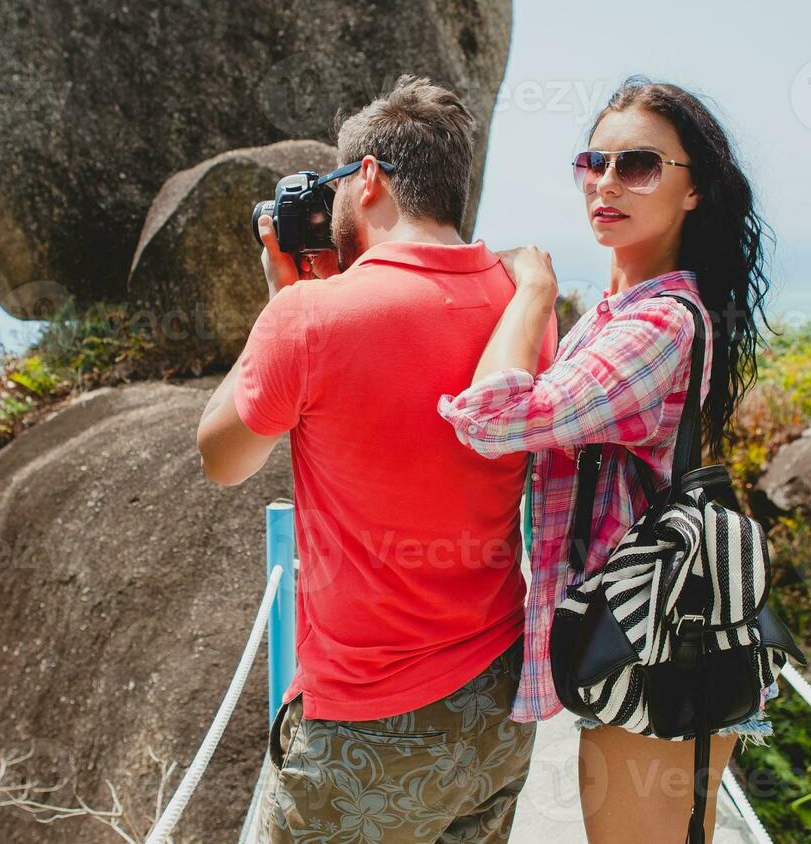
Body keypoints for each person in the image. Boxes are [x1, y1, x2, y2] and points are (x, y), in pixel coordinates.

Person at [196, 74, 559, 843]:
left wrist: (282, 304)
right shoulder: (521, 300)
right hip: (498, 702)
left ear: (367, 178)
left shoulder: (308, 317)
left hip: (367, 727)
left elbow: (221, 456)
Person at [437, 77, 776, 841]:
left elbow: (489, 420)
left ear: (695, 192)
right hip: (642, 636)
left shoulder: (659, 325)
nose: (608, 183)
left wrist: (532, 290)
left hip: (655, 646)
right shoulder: (616, 314)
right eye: (595, 161)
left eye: (641, 165)